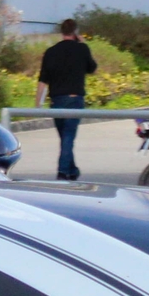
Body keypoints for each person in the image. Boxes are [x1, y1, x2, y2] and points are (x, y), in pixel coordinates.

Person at [36, 19, 97, 182]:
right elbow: (92, 68)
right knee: (68, 136)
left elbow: (43, 80)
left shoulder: (50, 52)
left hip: (57, 100)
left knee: (65, 137)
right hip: (75, 99)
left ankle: (72, 170)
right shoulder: (82, 49)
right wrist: (83, 43)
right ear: (75, 32)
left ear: (61, 32)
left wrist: (37, 104)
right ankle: (63, 172)